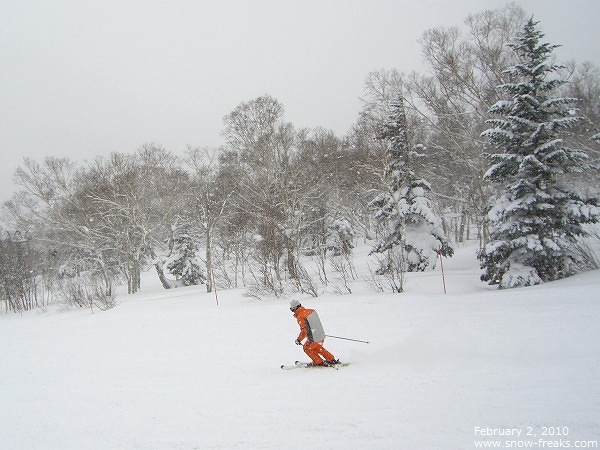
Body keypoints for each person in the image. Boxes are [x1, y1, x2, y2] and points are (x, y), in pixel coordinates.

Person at [290, 300, 339, 367]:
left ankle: (318, 362)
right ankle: (331, 359)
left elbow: (304, 331)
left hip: (314, 337)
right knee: (317, 347)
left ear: (295, 308)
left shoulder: (300, 316)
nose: (293, 312)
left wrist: (299, 339)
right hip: (320, 334)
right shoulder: (311, 311)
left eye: (292, 310)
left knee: (306, 348)